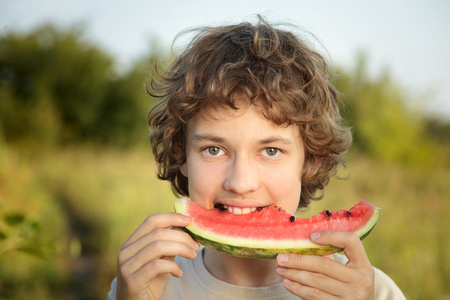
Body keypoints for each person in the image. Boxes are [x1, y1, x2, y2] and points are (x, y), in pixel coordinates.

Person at [107, 16, 405, 300]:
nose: (241, 183)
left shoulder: (370, 291)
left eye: (271, 151)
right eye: (214, 149)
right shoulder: (146, 286)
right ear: (181, 155)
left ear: (309, 161)